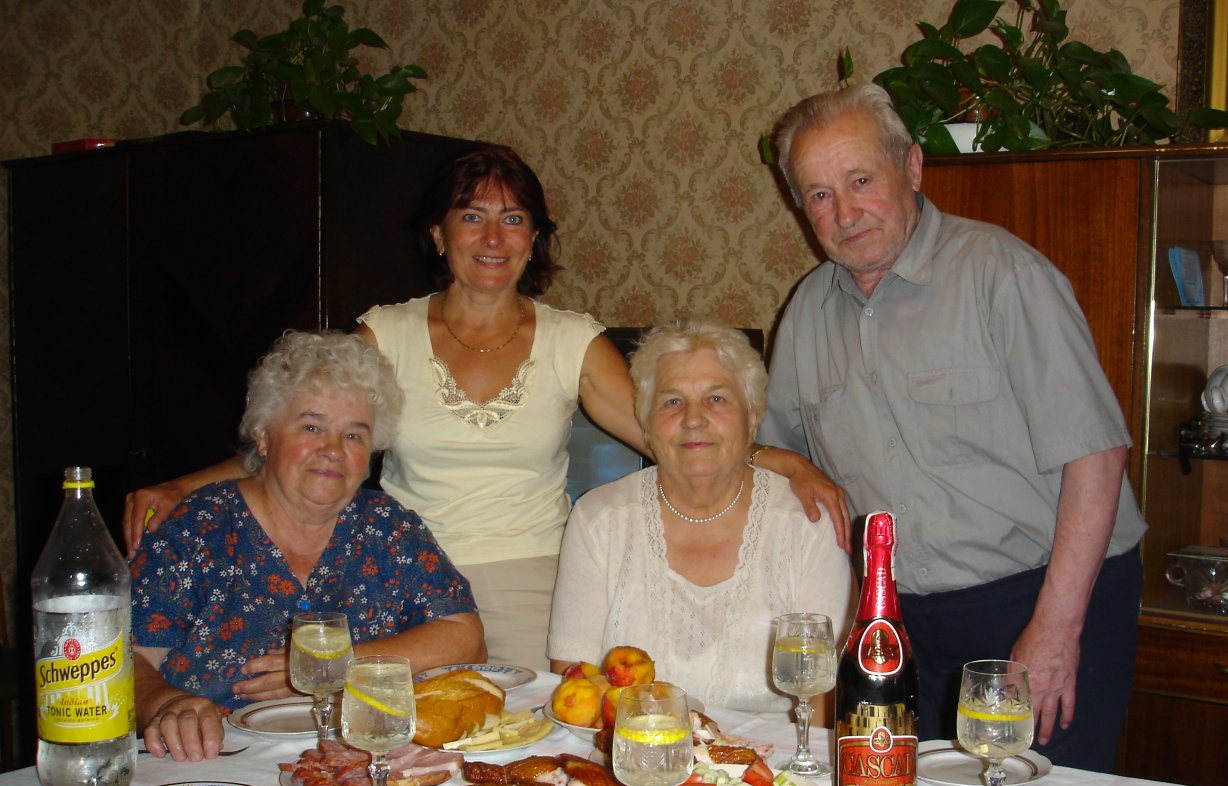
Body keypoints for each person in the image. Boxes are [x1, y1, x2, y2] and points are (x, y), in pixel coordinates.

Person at [123, 144, 849, 671]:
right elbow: (303, 435)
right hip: (397, 583)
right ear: (438, 234)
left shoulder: (571, 341)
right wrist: (185, 485)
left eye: (514, 220)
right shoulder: (389, 332)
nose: (493, 239)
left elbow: (680, 436)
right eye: (472, 217)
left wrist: (787, 464)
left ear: (535, 239)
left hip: (530, 580)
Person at [758, 82, 1147, 771]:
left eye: (860, 180)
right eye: (819, 194)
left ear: (911, 167)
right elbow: (774, 448)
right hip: (903, 617)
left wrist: (1055, 629)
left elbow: (1098, 454)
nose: (845, 213)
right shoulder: (808, 312)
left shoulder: (1003, 275)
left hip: (1038, 593)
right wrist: (796, 466)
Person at [131, 331, 485, 762]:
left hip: (359, 763)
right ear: (263, 437)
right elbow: (123, 657)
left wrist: (332, 666)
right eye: (312, 426)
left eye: (354, 436)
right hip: (210, 766)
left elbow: (464, 636)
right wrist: (164, 703)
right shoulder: (197, 527)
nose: (333, 450)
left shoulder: (386, 526)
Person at [548, 320, 852, 713]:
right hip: (634, 764)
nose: (693, 418)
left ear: (753, 418)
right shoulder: (599, 520)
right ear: (646, 422)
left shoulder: (806, 523)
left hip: (776, 770)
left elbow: (826, 702)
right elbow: (574, 690)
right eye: (672, 401)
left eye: (717, 399)